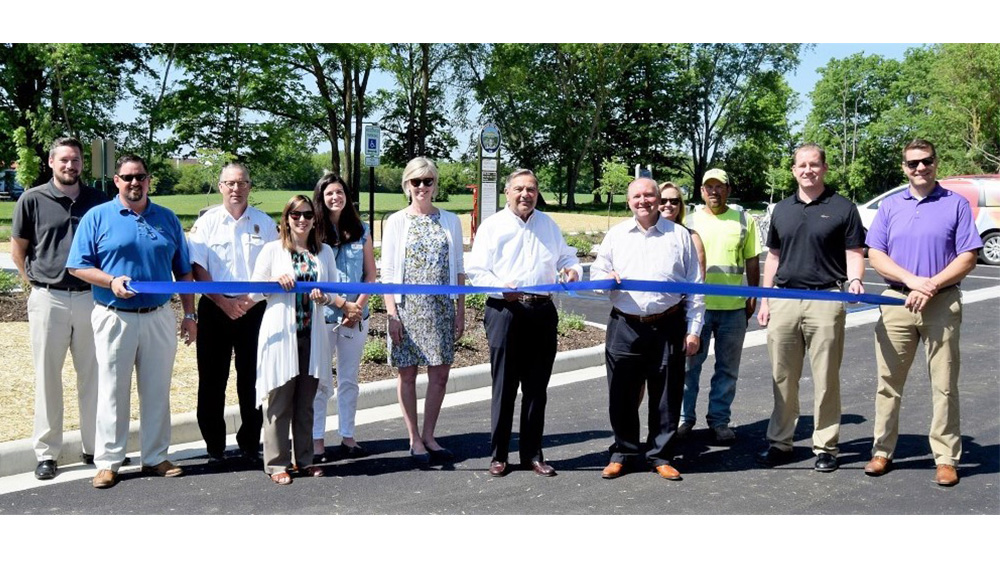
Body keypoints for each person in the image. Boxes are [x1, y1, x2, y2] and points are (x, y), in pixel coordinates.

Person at [67, 154, 197, 489]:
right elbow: (77, 266)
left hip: (158, 316)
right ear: (117, 181)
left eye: (140, 177)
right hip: (114, 317)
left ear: (149, 180)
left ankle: (155, 457)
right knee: (112, 390)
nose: (134, 183)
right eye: (127, 178)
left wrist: (189, 314)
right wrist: (110, 281)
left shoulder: (166, 219)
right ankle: (109, 462)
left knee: (157, 390)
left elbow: (183, 270)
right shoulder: (97, 217)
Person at [863, 139, 981, 486]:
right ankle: (882, 451)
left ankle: (946, 458)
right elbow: (876, 254)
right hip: (897, 301)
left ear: (935, 163)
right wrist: (912, 281)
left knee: (944, 385)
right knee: (888, 384)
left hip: (941, 302)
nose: (920, 168)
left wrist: (930, 285)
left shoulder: (955, 204)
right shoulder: (889, 206)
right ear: (904, 167)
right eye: (912, 163)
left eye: (926, 161)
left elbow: (968, 256)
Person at [755, 143, 866, 472]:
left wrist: (856, 280)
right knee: (782, 376)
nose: (807, 170)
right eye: (801, 165)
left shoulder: (843, 208)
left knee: (826, 377)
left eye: (814, 164)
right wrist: (765, 299)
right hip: (785, 299)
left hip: (826, 299)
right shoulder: (782, 210)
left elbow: (855, 251)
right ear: (793, 170)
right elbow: (773, 256)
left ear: (824, 168)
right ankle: (781, 441)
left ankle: (826, 446)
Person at [466, 168, 582, 477]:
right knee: (504, 387)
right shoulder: (492, 227)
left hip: (542, 313)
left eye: (531, 189)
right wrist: (501, 288)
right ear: (507, 192)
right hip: (505, 312)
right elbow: (477, 271)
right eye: (519, 188)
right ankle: (499, 455)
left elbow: (567, 257)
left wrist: (572, 270)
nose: (525, 194)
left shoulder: (548, 225)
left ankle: (533, 454)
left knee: (536, 389)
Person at [591, 177, 704, 480]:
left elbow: (695, 285)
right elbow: (597, 273)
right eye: (637, 196)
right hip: (625, 324)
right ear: (629, 201)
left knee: (666, 394)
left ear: (659, 198)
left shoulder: (679, 236)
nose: (643, 201)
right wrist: (605, 277)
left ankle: (660, 455)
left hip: (668, 323)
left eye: (649, 195)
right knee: (622, 395)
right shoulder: (616, 235)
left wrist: (694, 329)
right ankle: (623, 452)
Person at [11, 137, 108, 480]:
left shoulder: (99, 200)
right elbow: (18, 248)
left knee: (93, 377)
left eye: (76, 160)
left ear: (83, 164)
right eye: (64, 160)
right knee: (47, 378)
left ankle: (95, 448)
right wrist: (33, 284)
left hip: (90, 298)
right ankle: (47, 453)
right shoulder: (31, 199)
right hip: (47, 298)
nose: (70, 166)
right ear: (52, 162)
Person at [188, 163, 278, 465]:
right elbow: (197, 267)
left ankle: (250, 444)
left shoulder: (265, 224)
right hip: (215, 308)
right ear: (220, 186)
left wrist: (249, 301)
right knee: (212, 380)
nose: (236, 189)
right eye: (230, 183)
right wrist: (223, 302)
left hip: (254, 310)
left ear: (250, 186)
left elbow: (273, 267)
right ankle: (215, 447)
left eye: (241, 183)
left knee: (252, 380)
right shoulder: (206, 224)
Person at [381, 157, 465, 464]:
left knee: (440, 375)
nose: (422, 187)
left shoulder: (450, 221)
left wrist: (460, 311)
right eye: (416, 181)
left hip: (441, 309)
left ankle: (430, 435)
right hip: (407, 309)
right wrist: (392, 314)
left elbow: (458, 269)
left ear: (435, 185)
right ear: (406, 185)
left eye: (428, 181)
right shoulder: (396, 221)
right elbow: (387, 272)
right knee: (407, 375)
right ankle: (414, 437)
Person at [248, 196, 336, 485]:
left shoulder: (324, 254)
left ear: (314, 219)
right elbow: (254, 292)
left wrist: (325, 297)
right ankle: (276, 463)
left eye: (307, 214)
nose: (302, 219)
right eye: (295, 214)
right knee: (279, 400)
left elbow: (334, 292)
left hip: (312, 335)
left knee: (306, 402)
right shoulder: (272, 251)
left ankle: (305, 459)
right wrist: (275, 282)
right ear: (286, 218)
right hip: (280, 336)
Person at [679, 168, 760, 442]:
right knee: (689, 368)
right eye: (708, 187)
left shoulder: (743, 220)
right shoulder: (688, 221)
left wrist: (753, 294)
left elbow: (751, 260)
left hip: (733, 308)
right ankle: (683, 419)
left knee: (727, 369)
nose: (714, 191)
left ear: (728, 190)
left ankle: (719, 420)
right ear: (701, 191)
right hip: (697, 310)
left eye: (719, 186)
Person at [311, 173, 370, 462]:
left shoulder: (362, 230)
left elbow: (370, 275)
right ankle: (317, 442)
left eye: (340, 192)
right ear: (321, 198)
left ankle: (348, 437)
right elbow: (312, 279)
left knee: (349, 380)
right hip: (324, 316)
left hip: (356, 317)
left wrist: (356, 307)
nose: (336, 197)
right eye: (329, 193)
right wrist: (343, 305)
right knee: (321, 382)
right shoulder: (313, 233)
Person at [659, 182, 706, 280]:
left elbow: (698, 277)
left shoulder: (691, 236)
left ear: (680, 205)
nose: (668, 205)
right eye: (662, 201)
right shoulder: (645, 234)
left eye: (674, 201)